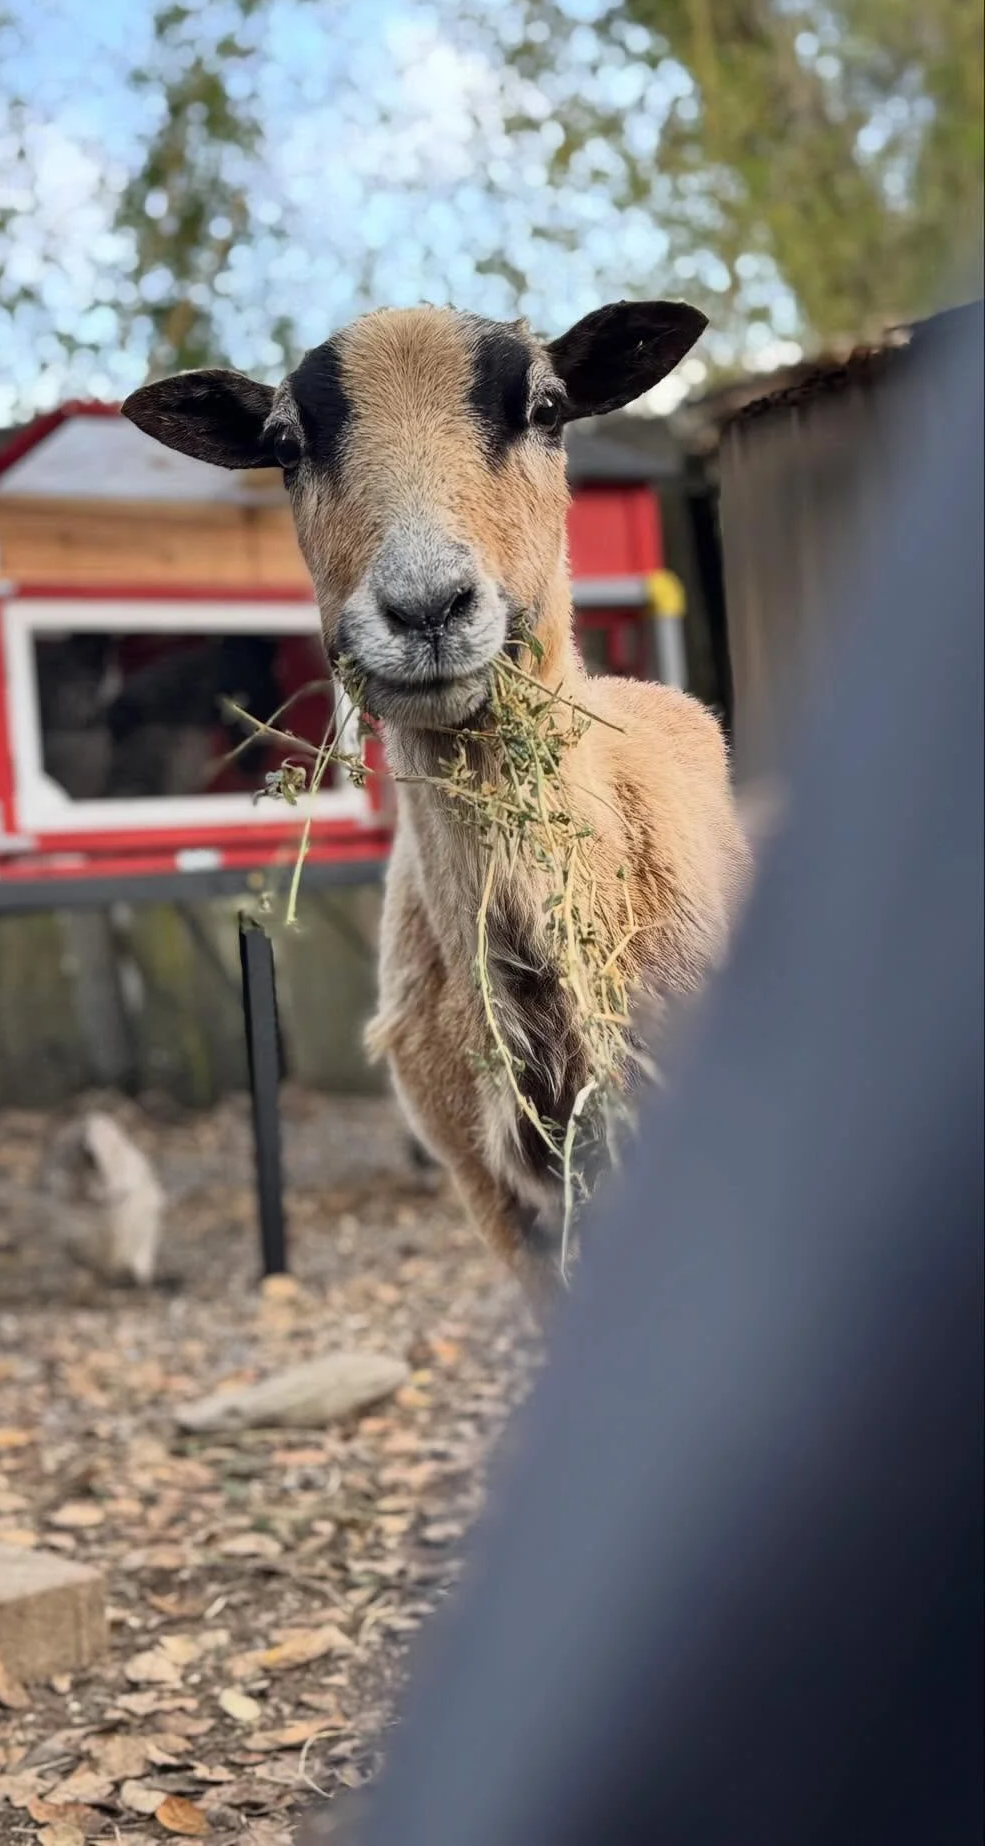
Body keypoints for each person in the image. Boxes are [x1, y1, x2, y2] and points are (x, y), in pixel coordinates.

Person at [360, 312, 984, 1846]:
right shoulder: (426, 1005)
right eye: (326, 455)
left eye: (530, 418)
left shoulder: (677, 800)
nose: (429, 552)